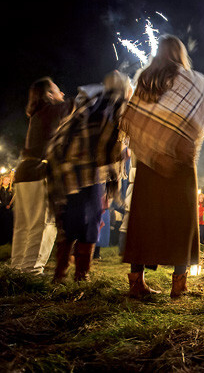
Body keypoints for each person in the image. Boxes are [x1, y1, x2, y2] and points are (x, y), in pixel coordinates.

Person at [119, 35, 204, 299]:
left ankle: (136, 283)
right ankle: (179, 284)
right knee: (182, 221)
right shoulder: (192, 80)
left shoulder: (145, 80)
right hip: (180, 162)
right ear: (180, 54)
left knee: (144, 220)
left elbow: (133, 117)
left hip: (149, 162)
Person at [47, 70, 131, 283]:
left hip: (66, 170)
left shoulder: (89, 102)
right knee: (90, 222)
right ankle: (80, 275)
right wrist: (121, 150)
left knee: (69, 221)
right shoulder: (112, 106)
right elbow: (109, 139)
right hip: (86, 172)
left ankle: (60, 273)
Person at [10, 77, 72, 274]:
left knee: (23, 225)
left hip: (24, 171)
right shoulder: (52, 110)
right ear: (48, 95)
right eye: (57, 90)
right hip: (39, 170)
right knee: (43, 223)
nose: (62, 94)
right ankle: (32, 271)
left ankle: (18, 268)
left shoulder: (37, 114)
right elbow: (76, 104)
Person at [0, 174, 14, 245]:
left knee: (9, 225)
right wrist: (3, 205)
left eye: (8, 180)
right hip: (1, 211)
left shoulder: (11, 190)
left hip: (8, 212)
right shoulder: (0, 190)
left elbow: (13, 200)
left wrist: (10, 206)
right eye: (5, 180)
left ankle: (9, 239)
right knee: (2, 225)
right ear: (2, 181)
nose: (7, 182)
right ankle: (2, 239)